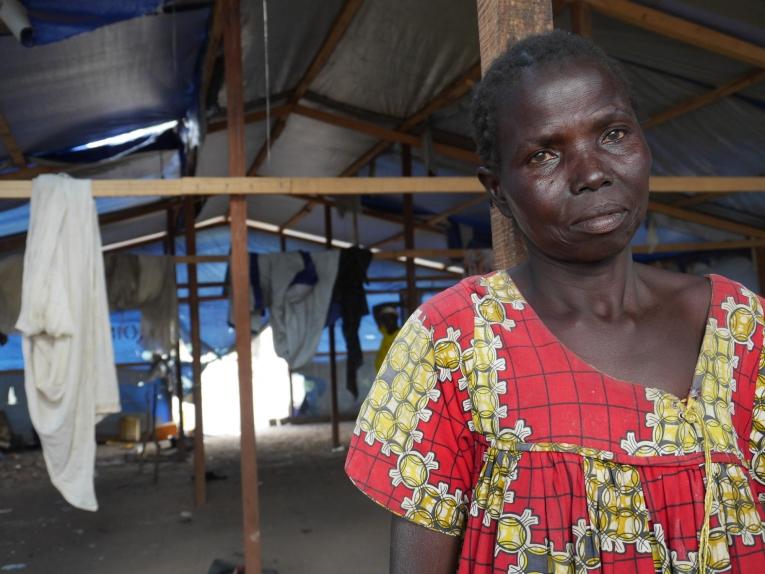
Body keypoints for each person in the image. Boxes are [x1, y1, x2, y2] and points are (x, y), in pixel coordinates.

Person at [344, 30, 765, 574]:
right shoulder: (457, 341)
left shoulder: (743, 327)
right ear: (497, 189)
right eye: (545, 154)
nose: (591, 174)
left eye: (613, 133)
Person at [373, 302, 402, 372]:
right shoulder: (385, 332)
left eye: (389, 318)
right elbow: (375, 309)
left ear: (396, 319)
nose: (387, 322)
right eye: (384, 319)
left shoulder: (402, 335)